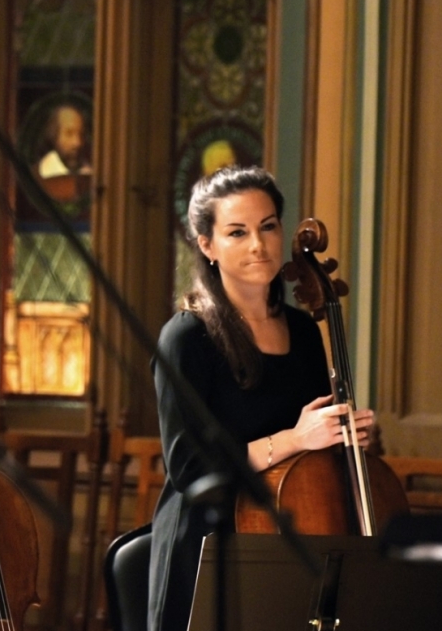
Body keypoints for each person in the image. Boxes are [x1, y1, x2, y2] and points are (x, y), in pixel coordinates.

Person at [149, 166, 375, 631]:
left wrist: (345, 436)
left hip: (289, 535)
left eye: (268, 226)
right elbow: (189, 467)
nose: (259, 244)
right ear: (207, 245)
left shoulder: (303, 332)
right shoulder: (186, 338)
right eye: (237, 232)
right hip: (206, 547)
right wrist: (295, 438)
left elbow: (315, 448)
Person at [37, 103, 91, 179]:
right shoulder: (38, 175)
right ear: (54, 135)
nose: (77, 143)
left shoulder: (89, 173)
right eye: (69, 133)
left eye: (81, 134)